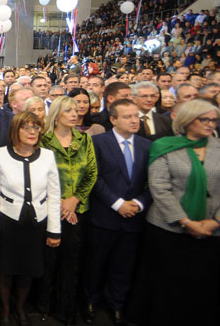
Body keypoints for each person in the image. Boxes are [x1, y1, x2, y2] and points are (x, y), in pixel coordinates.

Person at [133, 99, 220, 325]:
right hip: (169, 230)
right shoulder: (164, 146)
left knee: (204, 283)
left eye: (213, 120)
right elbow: (159, 188)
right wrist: (186, 222)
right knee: (166, 283)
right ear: (187, 121)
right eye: (203, 119)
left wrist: (217, 221)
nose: (210, 124)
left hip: (214, 230)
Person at [0, 111, 61, 325]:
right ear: (15, 130)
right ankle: (5, 310)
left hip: (37, 223)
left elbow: (54, 195)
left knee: (28, 270)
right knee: (5, 269)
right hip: (8, 222)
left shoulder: (47, 156)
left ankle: (20, 308)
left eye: (35, 127)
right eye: (26, 127)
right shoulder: (0, 155)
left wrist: (54, 230)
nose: (32, 132)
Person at [83, 99, 152, 326]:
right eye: (127, 117)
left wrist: (139, 204)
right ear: (113, 119)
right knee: (95, 262)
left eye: (136, 116)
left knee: (124, 264)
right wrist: (117, 203)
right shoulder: (98, 142)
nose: (134, 121)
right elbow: (94, 177)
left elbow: (153, 181)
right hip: (105, 214)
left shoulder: (146, 145)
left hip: (134, 216)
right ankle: (90, 301)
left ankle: (116, 304)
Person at [39, 96, 97, 325]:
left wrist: (74, 199)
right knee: (49, 260)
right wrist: (61, 202)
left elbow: (91, 172)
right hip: (49, 209)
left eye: (76, 110)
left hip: (78, 210)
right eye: (68, 111)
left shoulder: (84, 139)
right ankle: (45, 305)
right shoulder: (43, 140)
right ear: (56, 115)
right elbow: (39, 176)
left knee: (71, 261)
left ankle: (66, 309)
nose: (75, 114)